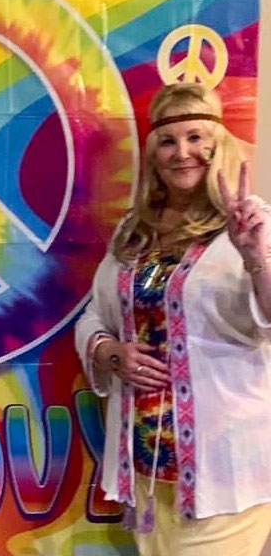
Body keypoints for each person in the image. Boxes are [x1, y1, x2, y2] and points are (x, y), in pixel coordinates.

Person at [75, 82, 271, 555]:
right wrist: (110, 352)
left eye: (196, 137)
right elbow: (94, 315)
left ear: (218, 143)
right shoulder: (134, 231)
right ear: (154, 155)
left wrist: (256, 259)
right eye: (168, 140)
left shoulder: (251, 224)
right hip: (147, 464)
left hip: (224, 469)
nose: (183, 153)